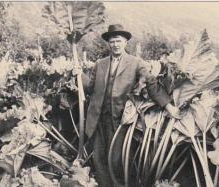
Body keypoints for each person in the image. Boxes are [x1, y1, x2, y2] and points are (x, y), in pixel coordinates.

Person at [73, 24, 181, 187]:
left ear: (125, 42)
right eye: (112, 41)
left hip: (122, 118)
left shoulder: (136, 63)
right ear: (108, 44)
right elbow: (89, 89)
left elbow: (152, 84)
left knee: (117, 159)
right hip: (99, 118)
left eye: (118, 41)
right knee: (99, 158)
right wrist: (79, 76)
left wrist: (168, 106)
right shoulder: (100, 64)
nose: (115, 44)